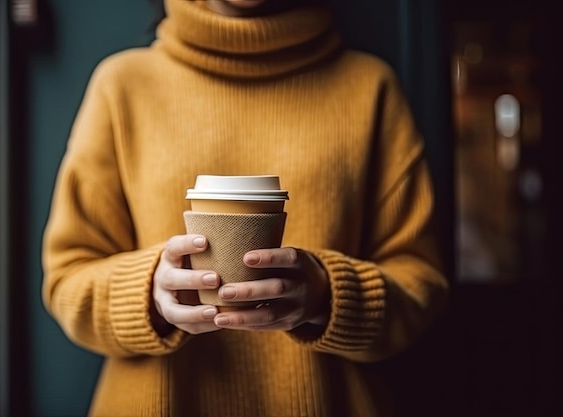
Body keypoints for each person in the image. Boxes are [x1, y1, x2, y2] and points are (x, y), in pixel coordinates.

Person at [41, 0, 449, 415]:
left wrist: (328, 294)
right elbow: (67, 280)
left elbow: (420, 285)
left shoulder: (369, 87)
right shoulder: (122, 86)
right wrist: (149, 293)